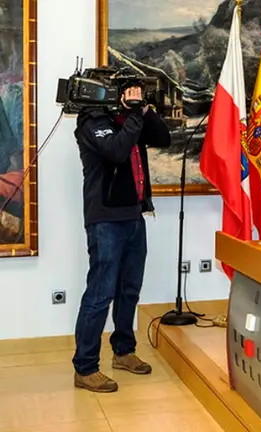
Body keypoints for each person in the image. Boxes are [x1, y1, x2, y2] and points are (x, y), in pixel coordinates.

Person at [72, 86, 171, 392]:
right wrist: (133, 115)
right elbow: (116, 151)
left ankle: (124, 351)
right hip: (105, 219)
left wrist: (144, 111)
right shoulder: (91, 121)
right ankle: (85, 368)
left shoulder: (129, 118)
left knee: (129, 290)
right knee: (100, 294)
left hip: (134, 216)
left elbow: (163, 138)